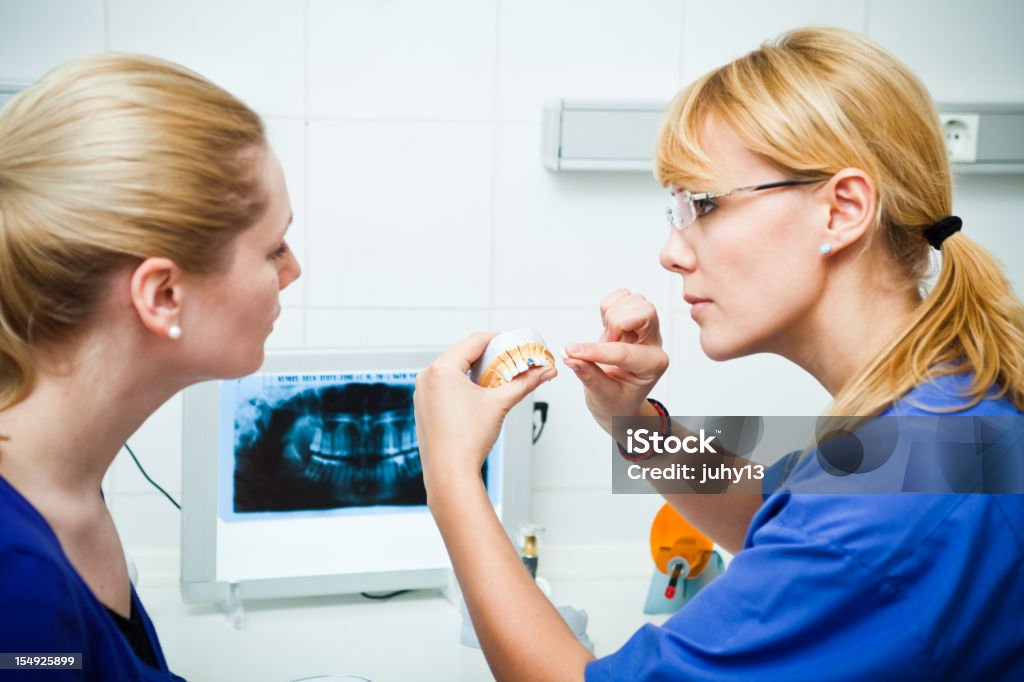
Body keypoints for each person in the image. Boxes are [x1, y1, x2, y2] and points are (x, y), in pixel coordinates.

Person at [413, 27, 1024, 681]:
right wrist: (638, 428)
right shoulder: (951, 405)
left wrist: (452, 475)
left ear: (842, 210)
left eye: (699, 205)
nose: (671, 251)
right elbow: (770, 511)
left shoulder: (883, 510)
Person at [0, 53, 300, 679]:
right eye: (273, 248)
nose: (292, 271)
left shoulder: (65, 488)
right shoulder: (18, 587)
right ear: (162, 295)